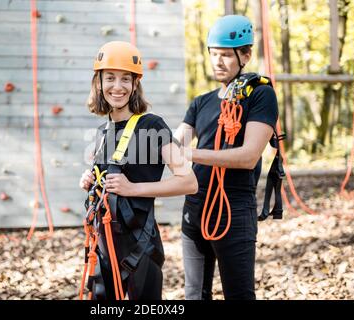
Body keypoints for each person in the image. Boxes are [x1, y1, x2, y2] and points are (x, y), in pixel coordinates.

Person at [78, 41, 198, 300]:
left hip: (139, 245)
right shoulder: (103, 132)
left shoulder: (152, 126)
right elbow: (108, 184)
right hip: (104, 245)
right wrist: (90, 181)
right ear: (98, 83)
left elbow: (189, 182)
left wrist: (134, 188)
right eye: (109, 78)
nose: (117, 86)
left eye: (125, 79)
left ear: (135, 85)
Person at [174, 15, 280, 300]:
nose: (218, 62)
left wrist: (189, 154)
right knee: (194, 295)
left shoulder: (261, 95)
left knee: (238, 295)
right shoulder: (201, 102)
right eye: (213, 54)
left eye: (225, 55)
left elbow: (248, 156)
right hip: (195, 207)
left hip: (233, 208)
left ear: (245, 55)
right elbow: (175, 143)